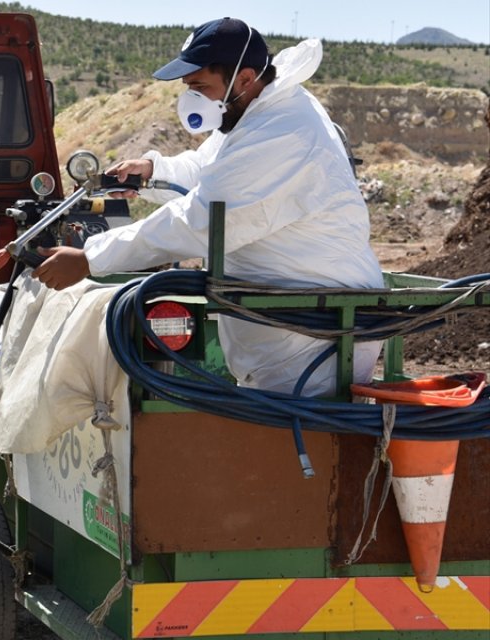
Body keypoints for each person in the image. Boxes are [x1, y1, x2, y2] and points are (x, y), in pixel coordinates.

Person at [31, 17, 384, 396]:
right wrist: (153, 171)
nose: (192, 98)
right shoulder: (260, 108)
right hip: (290, 333)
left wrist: (90, 259)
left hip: (314, 347)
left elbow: (199, 221)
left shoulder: (284, 131)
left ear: (245, 79)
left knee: (296, 451)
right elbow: (210, 168)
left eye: (200, 87)